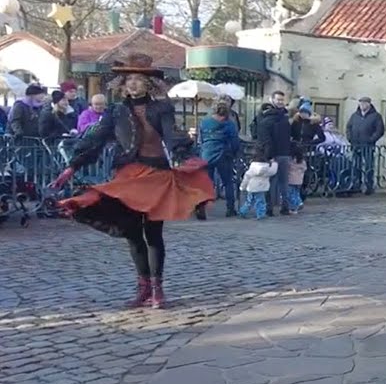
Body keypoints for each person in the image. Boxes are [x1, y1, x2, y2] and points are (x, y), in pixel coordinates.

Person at [52, 54, 215, 310]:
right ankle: (143, 288)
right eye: (129, 79)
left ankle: (158, 289)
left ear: (148, 84)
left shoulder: (161, 108)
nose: (133, 84)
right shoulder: (116, 111)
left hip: (156, 176)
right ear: (122, 83)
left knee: (153, 234)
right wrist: (72, 166)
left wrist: (186, 156)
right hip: (127, 175)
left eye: (138, 79)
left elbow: (172, 136)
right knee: (132, 233)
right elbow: (95, 139)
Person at [196, 102, 241, 219]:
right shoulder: (229, 124)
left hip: (207, 154)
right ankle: (230, 209)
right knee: (228, 182)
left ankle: (201, 207)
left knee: (205, 183)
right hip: (223, 155)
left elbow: (200, 139)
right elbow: (234, 141)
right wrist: (234, 152)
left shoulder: (205, 122)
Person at [255, 92, 292, 216]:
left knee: (275, 182)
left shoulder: (281, 117)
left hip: (279, 153)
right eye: (278, 99)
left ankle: (272, 208)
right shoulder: (279, 117)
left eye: (282, 99)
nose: (280, 102)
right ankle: (281, 207)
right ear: (272, 100)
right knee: (280, 182)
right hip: (278, 153)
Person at [345, 96, 384, 195]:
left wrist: (371, 140)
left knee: (368, 166)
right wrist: (350, 139)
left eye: (364, 103)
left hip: (368, 145)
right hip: (355, 145)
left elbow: (379, 130)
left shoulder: (376, 116)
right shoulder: (355, 115)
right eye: (361, 103)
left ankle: (369, 186)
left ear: (369, 104)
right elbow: (348, 127)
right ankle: (356, 185)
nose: (362, 105)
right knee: (356, 166)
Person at [239, 150, 276, 220]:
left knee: (249, 201)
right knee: (261, 201)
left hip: (251, 188)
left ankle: (243, 211)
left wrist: (242, 187)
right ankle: (260, 214)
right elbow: (273, 171)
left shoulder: (252, 168)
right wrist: (274, 163)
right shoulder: (267, 168)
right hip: (261, 188)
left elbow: (246, 178)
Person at [286, 144, 307, 212]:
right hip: (299, 180)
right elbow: (304, 168)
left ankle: (296, 204)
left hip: (291, 179)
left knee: (291, 193)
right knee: (296, 192)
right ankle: (297, 205)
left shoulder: (291, 161)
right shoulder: (302, 161)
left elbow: (288, 169)